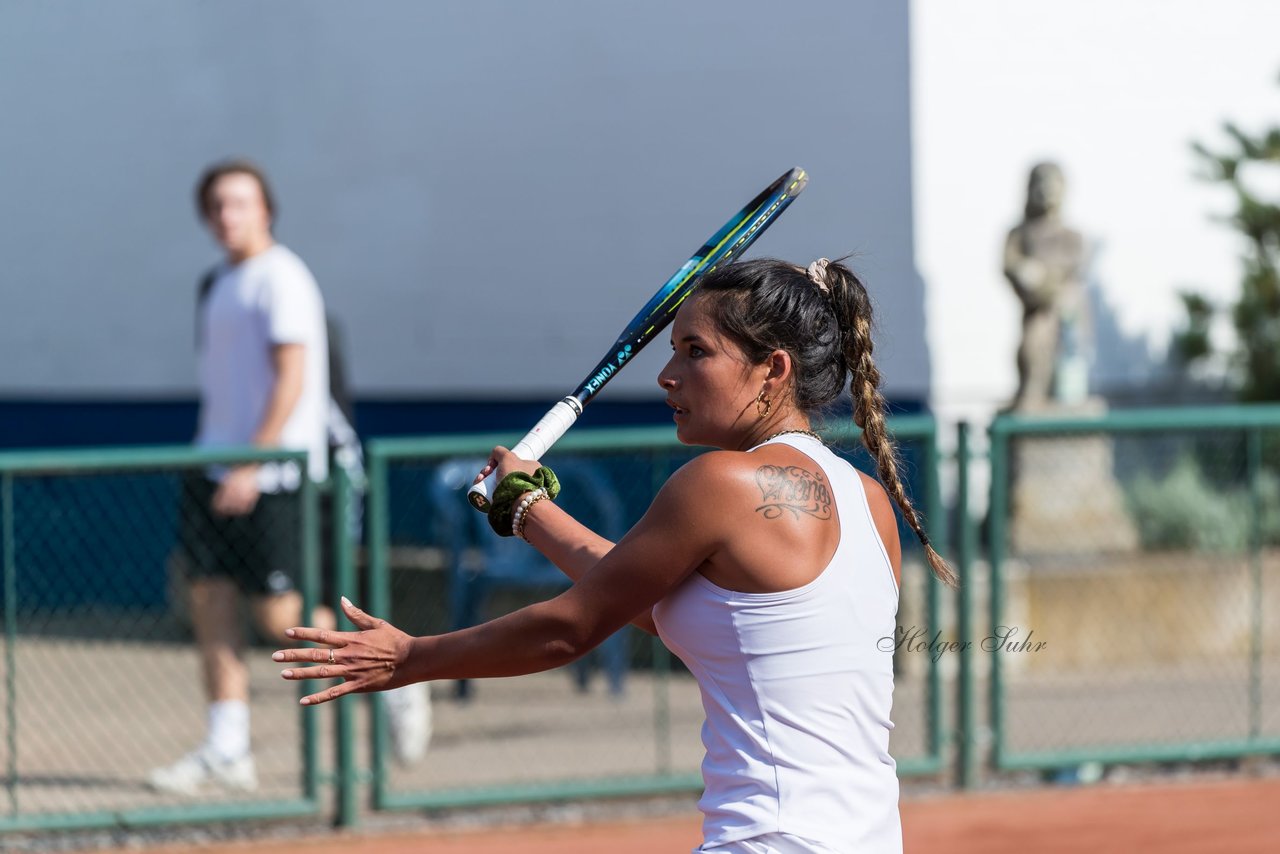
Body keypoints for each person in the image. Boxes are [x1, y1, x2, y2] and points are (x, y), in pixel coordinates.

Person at [275, 257, 955, 852]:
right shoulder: (868, 500)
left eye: (695, 351)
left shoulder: (719, 484)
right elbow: (676, 610)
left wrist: (412, 659)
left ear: (773, 370)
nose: (667, 374)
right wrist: (529, 512)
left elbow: (572, 627)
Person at [150, 160, 427, 795]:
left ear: (265, 210)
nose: (228, 216)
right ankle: (227, 749)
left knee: (283, 618)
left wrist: (252, 463)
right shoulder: (216, 283)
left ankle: (397, 678)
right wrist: (220, 461)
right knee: (209, 603)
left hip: (275, 477)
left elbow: (293, 379)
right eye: (217, 205)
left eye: (240, 203)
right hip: (211, 468)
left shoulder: (283, 278)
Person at [1003, 161, 1085, 410]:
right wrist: (1024, 274)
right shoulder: (1019, 233)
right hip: (1034, 310)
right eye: (1040, 183)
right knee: (1031, 346)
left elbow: (1069, 270)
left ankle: (1059, 395)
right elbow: (1009, 263)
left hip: (1062, 309)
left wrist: (1044, 280)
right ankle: (1032, 390)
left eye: (1052, 183)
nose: (1046, 190)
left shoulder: (1070, 236)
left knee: (1066, 358)